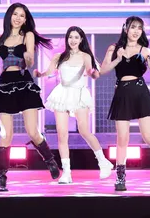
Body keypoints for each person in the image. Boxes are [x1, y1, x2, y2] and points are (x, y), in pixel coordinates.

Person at [0, 3, 60, 192]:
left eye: (22, 15)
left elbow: (30, 60)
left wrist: (28, 58)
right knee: (6, 134)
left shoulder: (27, 35)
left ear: (25, 19)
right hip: (5, 85)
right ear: (9, 16)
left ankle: (50, 160)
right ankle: (2, 177)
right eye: (15, 14)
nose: (18, 18)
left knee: (32, 131)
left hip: (23, 83)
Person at [99, 16, 150, 191]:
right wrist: (117, 59)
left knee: (148, 136)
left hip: (140, 92)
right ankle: (120, 177)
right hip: (122, 93)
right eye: (133, 27)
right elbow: (102, 70)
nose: (136, 31)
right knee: (122, 138)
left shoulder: (145, 50)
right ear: (125, 28)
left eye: (139, 28)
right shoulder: (114, 48)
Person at [34, 26, 113, 184]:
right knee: (62, 134)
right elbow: (49, 71)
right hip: (62, 94)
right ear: (67, 39)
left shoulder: (86, 56)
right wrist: (40, 74)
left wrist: (93, 73)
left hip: (79, 94)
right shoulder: (59, 57)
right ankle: (67, 173)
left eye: (76, 37)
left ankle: (103, 162)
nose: (73, 40)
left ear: (81, 39)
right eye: (70, 37)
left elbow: (91, 71)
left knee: (84, 130)